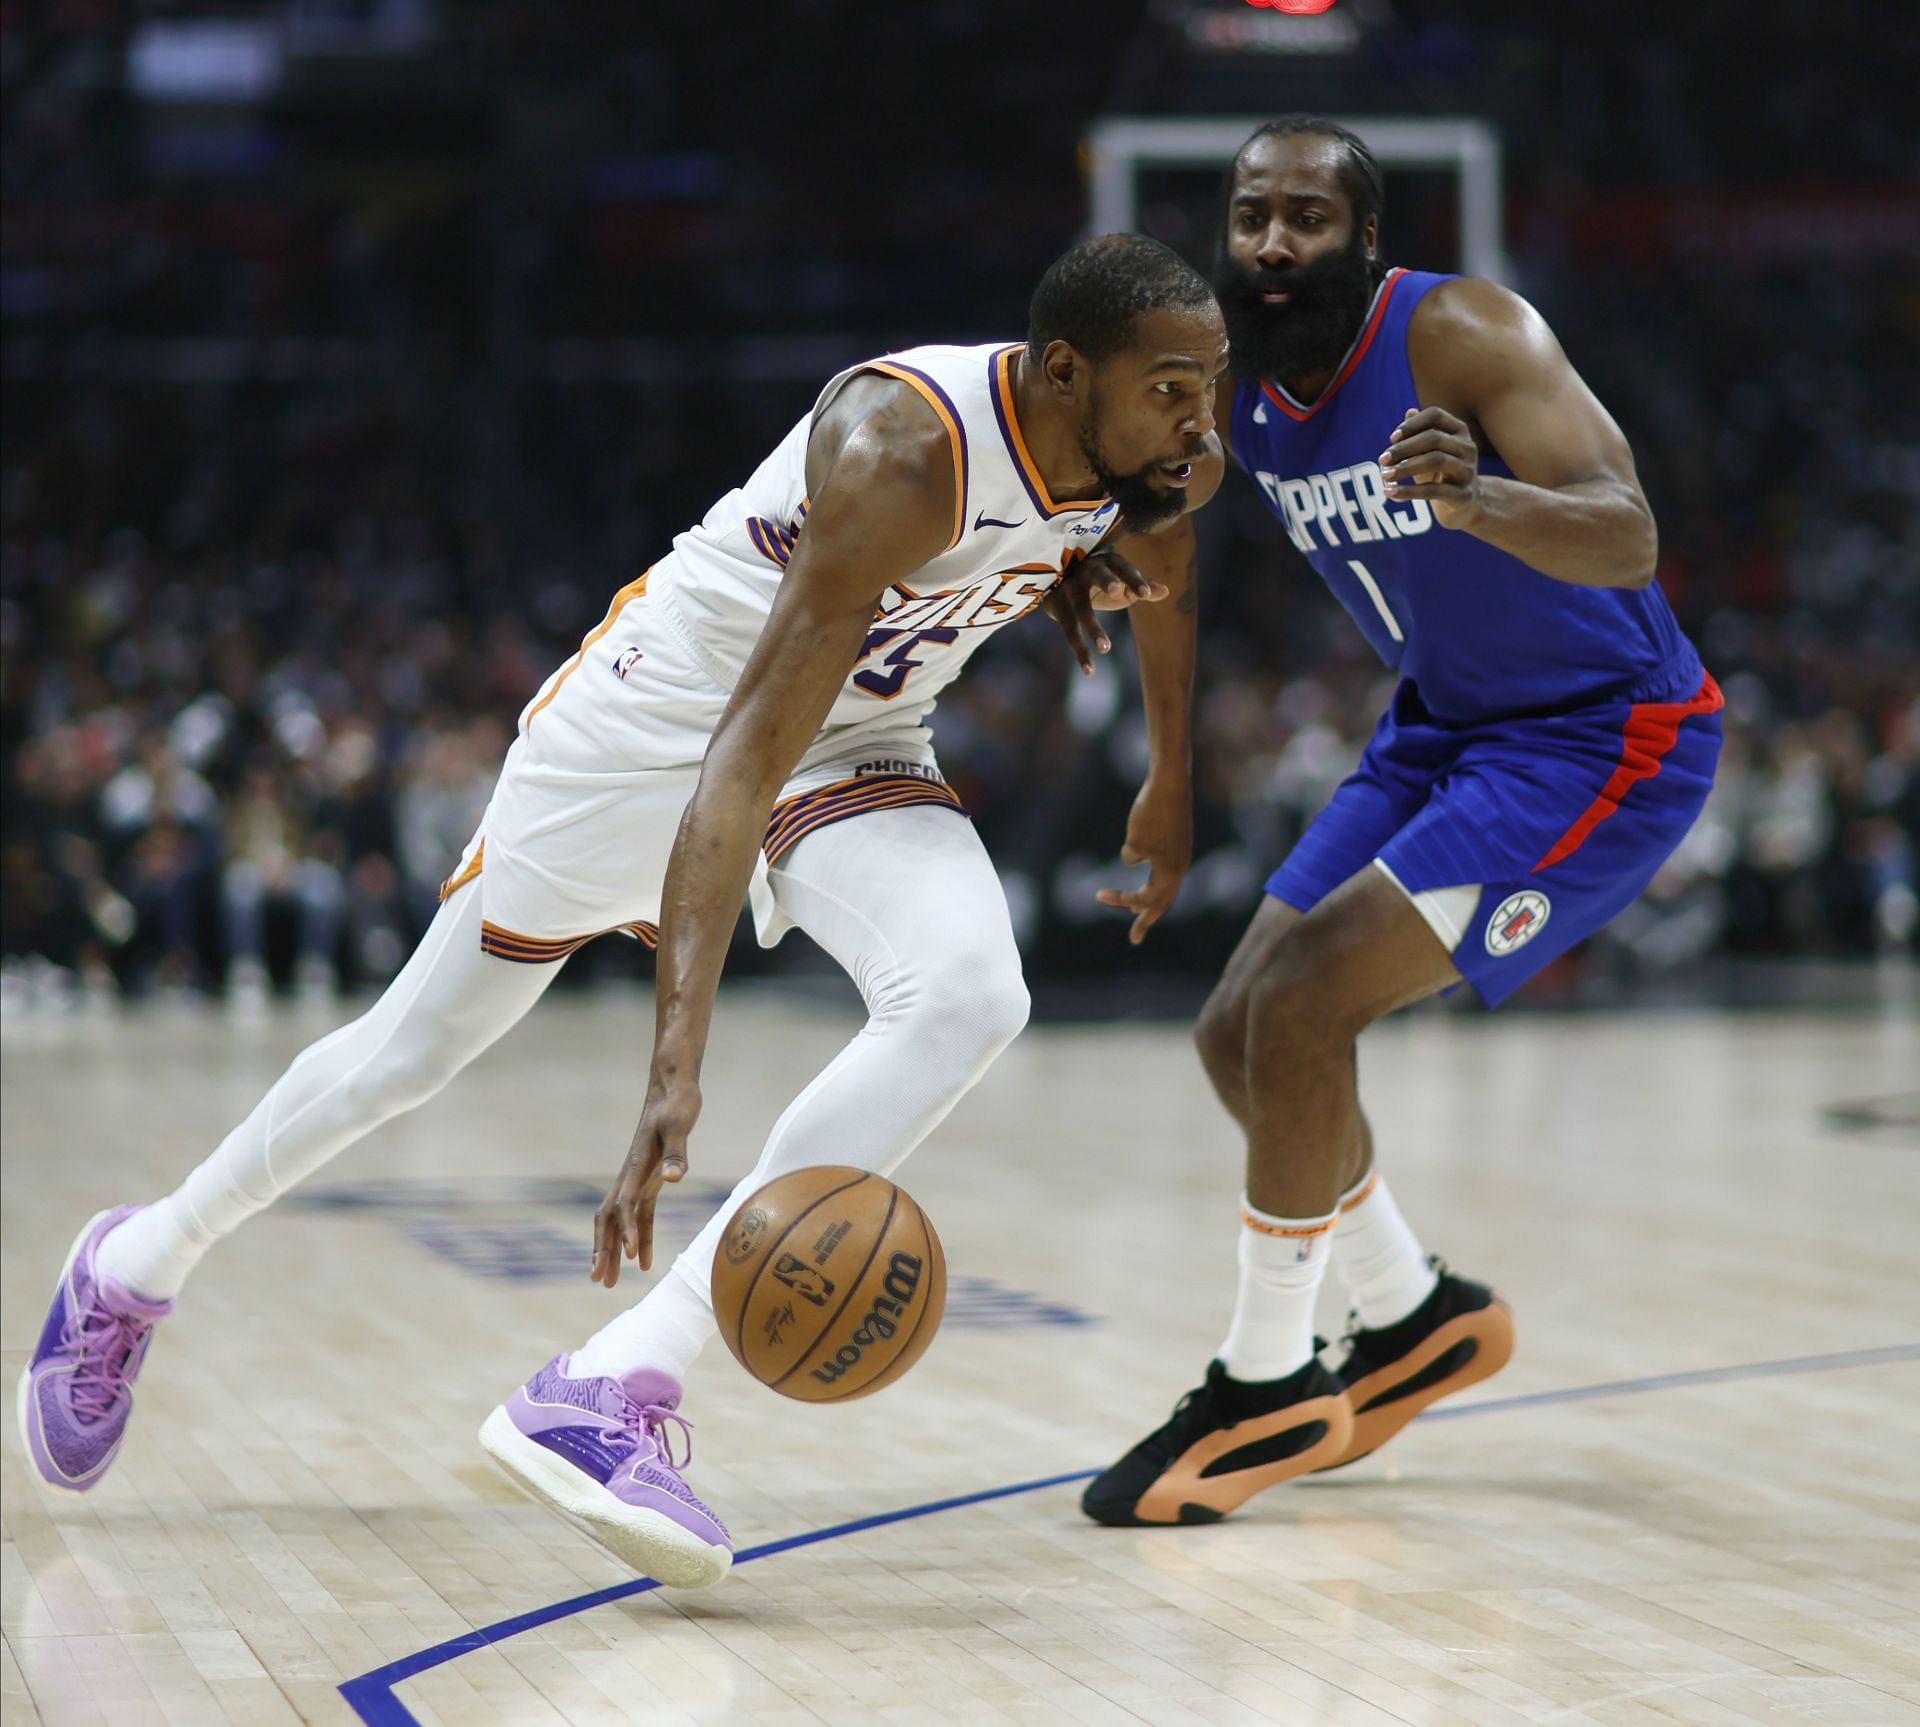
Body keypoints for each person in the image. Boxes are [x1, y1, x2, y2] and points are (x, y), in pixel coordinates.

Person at [22, 235, 1230, 1588]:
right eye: (1176, 390)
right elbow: (738, 758)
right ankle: (135, 1263)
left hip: (860, 742)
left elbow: (1165, 565)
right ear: (1067, 375)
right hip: (662, 726)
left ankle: (616, 1381)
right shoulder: (907, 448)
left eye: (1214, 389)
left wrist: (1171, 780)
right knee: (413, 1053)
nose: (1204, 422)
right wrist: (675, 1069)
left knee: (969, 995)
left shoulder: (1158, 447)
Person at [1082, 121, 1723, 1528]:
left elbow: (1629, 536)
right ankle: (1412, 1311)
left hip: (1602, 733)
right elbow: (1165, 549)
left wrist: (1476, 495)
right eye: (1253, 214)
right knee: (1233, 1031)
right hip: (1442, 722)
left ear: (1363, 242)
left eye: (1308, 218)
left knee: (1304, 1010)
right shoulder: (1225, 382)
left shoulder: (1465, 335)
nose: (1273, 243)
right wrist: (1174, 775)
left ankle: (1264, 1384)